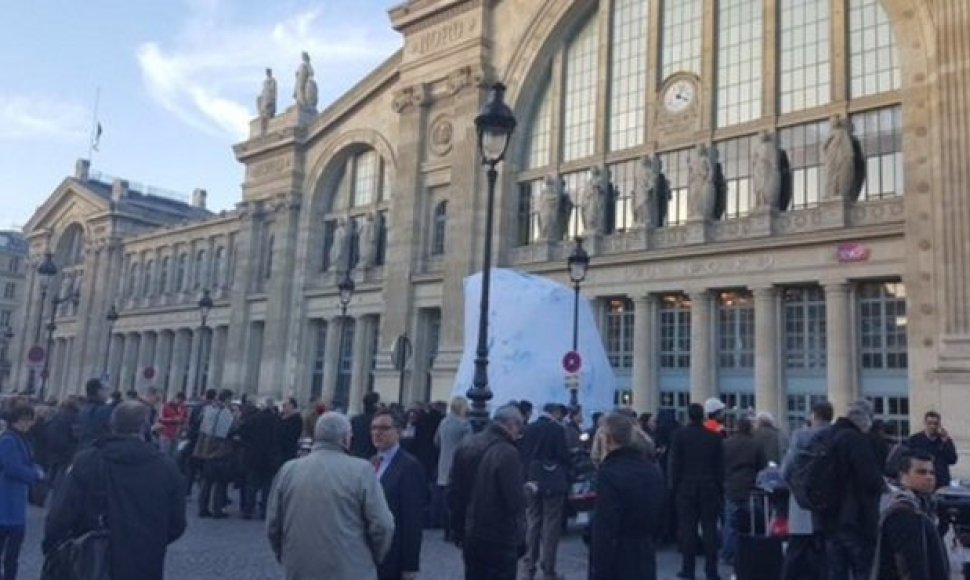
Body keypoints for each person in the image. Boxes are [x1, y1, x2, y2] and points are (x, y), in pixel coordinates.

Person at [43, 402, 186, 580]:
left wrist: (52, 546)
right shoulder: (166, 467)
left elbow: (62, 512)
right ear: (145, 428)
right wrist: (151, 540)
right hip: (145, 560)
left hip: (93, 558)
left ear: (112, 425)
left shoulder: (87, 461)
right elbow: (177, 523)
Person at [266, 412, 394, 580]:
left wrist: (285, 556)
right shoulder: (361, 470)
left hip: (299, 567)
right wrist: (374, 555)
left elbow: (273, 524)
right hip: (351, 567)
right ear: (344, 439)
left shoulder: (288, 470)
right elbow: (383, 525)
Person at [449, 405, 528, 580]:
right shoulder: (508, 452)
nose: (519, 433)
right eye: (519, 427)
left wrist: (457, 528)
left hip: (470, 532)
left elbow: (454, 491)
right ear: (511, 424)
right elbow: (514, 501)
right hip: (499, 535)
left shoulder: (467, 444)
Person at [589, 412, 666, 580]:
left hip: (618, 558)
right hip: (644, 553)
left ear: (608, 440)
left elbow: (605, 529)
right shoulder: (650, 469)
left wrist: (599, 570)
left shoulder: (609, 474)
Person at [819, 400, 885, 580]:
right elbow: (870, 479)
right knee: (862, 568)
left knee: (836, 570)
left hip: (828, 515)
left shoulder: (828, 436)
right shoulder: (855, 440)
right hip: (855, 517)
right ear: (865, 422)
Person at [669, 402, 724, 580]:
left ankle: (688, 569)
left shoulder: (679, 436)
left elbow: (674, 464)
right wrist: (719, 487)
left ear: (689, 416)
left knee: (688, 530)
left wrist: (674, 487)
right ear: (703, 416)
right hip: (709, 486)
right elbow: (720, 467)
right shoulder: (714, 438)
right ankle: (712, 571)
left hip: (686, 487)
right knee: (710, 530)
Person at [874, 450, 950, 579]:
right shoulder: (904, 511)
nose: (929, 477)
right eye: (921, 472)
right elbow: (910, 565)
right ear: (903, 475)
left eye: (932, 472)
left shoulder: (921, 504)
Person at [371, 409, 427, 580]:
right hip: (370, 555)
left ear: (399, 431)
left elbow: (412, 520)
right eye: (373, 428)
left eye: (384, 428)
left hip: (394, 556)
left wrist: (410, 565)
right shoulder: (371, 462)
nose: (377, 433)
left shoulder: (409, 467)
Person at [781, 400, 833, 580]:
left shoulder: (801, 437)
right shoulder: (837, 436)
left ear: (813, 415)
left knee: (796, 549)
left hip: (801, 500)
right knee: (825, 550)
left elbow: (786, 470)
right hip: (829, 502)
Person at [518, 402, 571, 580]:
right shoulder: (556, 429)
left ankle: (529, 566)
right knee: (551, 525)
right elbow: (564, 455)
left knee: (533, 522)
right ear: (555, 413)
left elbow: (522, 454)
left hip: (531, 479)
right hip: (552, 481)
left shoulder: (529, 428)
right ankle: (549, 568)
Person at [0, 405, 43, 580]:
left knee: (13, 548)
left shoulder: (21, 439)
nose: (28, 424)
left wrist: (34, 469)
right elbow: (13, 468)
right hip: (6, 499)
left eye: (29, 420)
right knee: (9, 546)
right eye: (24, 420)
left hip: (14, 500)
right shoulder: (9, 440)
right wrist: (35, 474)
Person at [721, 414, 767, 567]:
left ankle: (729, 553)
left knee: (730, 522)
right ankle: (755, 550)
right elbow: (762, 465)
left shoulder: (726, 443)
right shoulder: (756, 444)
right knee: (756, 519)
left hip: (731, 485)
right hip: (749, 485)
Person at [192, 389, 235, 518]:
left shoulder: (209, 409)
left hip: (206, 449)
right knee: (220, 481)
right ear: (227, 399)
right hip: (220, 449)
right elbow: (230, 430)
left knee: (207, 481)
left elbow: (201, 427)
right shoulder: (226, 412)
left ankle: (202, 508)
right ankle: (217, 509)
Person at [235, 397, 279, 519]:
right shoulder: (276, 420)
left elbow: (242, 432)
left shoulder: (254, 419)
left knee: (251, 484)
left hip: (253, 455)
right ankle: (264, 510)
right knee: (267, 486)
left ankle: (248, 509)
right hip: (269, 457)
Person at [434, 396, 471, 541]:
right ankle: (456, 530)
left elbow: (436, 441)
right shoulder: (465, 425)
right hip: (459, 466)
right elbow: (469, 444)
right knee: (458, 501)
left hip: (443, 464)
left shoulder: (444, 422)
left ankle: (446, 530)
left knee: (446, 500)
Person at [907, 411, 958, 489]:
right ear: (925, 423)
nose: (932, 426)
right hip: (921, 480)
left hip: (941, 482)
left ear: (939, 425)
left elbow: (953, 460)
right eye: (929, 423)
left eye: (935, 423)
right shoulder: (914, 440)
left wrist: (945, 442)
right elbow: (908, 459)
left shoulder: (945, 440)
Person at [43, 397, 78, 489]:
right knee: (61, 473)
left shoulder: (58, 415)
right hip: (67, 449)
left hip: (54, 446)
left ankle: (46, 488)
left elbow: (48, 427)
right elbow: (75, 435)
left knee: (52, 470)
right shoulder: (75, 417)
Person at [77, 378, 113, 449]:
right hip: (98, 450)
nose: (107, 393)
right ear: (98, 391)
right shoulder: (104, 410)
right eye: (105, 389)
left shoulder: (82, 409)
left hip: (82, 450)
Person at [156, 391, 188, 458]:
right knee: (164, 454)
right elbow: (160, 419)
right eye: (179, 401)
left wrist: (183, 422)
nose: (180, 403)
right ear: (176, 398)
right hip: (166, 434)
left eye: (182, 402)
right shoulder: (165, 406)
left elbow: (186, 418)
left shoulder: (183, 407)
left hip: (177, 435)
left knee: (174, 455)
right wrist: (172, 419)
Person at [351, 391, 381, 459]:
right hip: (373, 457)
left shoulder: (355, 420)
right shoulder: (378, 421)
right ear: (375, 404)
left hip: (356, 456)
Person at [277, 397, 302, 463]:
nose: (283, 406)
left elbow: (293, 435)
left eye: (286, 404)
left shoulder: (296, 419)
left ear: (292, 405)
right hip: (278, 450)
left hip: (289, 451)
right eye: (283, 405)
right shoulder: (279, 417)